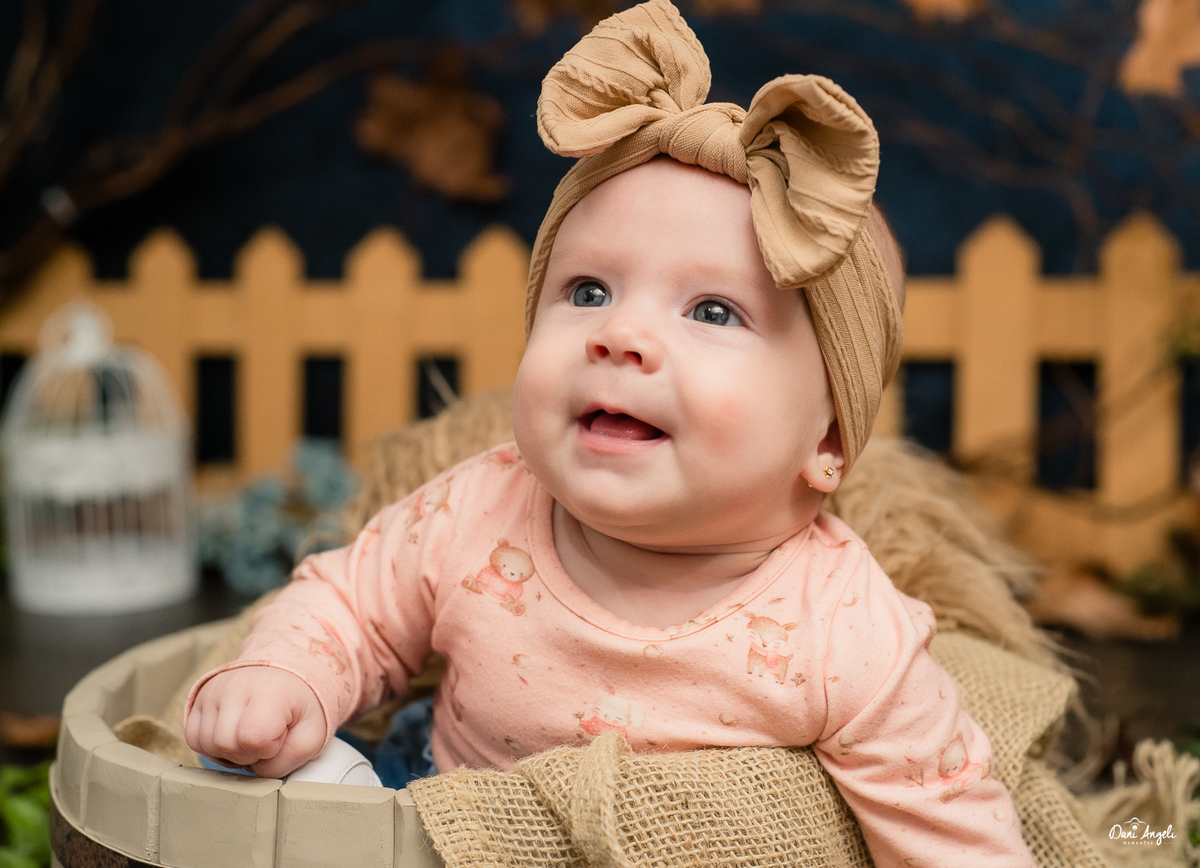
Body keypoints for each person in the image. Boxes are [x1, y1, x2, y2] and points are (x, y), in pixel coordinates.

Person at [185, 1, 1034, 863]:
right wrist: (284, 678)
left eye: (712, 311)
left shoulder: (845, 629)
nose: (619, 334)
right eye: (588, 292)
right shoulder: (476, 509)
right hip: (450, 822)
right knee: (303, 788)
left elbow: (947, 826)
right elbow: (351, 604)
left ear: (828, 444)